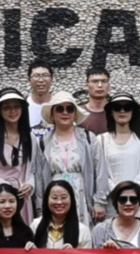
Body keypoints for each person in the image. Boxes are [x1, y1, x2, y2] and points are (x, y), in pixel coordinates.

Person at [30, 90, 105, 227]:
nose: (65, 113)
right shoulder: (42, 142)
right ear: (52, 114)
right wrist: (40, 208)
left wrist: (100, 202)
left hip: (82, 195)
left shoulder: (88, 138)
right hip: (54, 197)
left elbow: (100, 171)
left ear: (75, 114)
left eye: (69, 109)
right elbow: (39, 177)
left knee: (82, 234)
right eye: (60, 109)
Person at [0, 89, 37, 226]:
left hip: (21, 200)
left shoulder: (30, 138)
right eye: (7, 107)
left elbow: (32, 170)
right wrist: (2, 186)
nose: (12, 111)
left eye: (16, 106)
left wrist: (30, 185)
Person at [94, 94, 140, 219]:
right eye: (117, 107)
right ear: (111, 112)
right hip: (112, 201)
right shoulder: (101, 140)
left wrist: (133, 196)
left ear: (133, 112)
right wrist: (118, 194)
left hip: (139, 203)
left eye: (127, 107)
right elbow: (102, 174)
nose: (122, 111)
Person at [92, 181, 140, 249]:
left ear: (139, 204)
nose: (128, 203)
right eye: (123, 199)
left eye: (133, 199)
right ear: (116, 203)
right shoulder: (101, 230)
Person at [34, 180, 91, 249]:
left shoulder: (83, 231)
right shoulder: (35, 225)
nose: (59, 202)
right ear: (47, 200)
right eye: (54, 198)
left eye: (64, 197)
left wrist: (74, 253)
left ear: (71, 200)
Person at [25, 61, 54, 142]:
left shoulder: (59, 106)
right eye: (36, 76)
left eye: (45, 75)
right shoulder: (23, 106)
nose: (41, 80)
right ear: (29, 80)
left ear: (52, 79)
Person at [78, 67, 111, 134]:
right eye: (95, 81)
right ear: (87, 86)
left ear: (108, 86)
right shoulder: (78, 113)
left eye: (104, 81)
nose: (100, 85)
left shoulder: (117, 112)